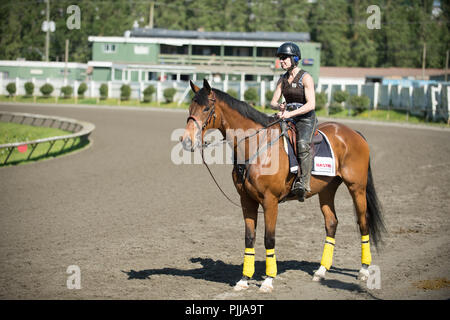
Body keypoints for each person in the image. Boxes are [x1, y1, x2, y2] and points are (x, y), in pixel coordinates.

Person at [270, 42, 317, 201]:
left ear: (295, 58)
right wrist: (280, 106)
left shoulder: (306, 77)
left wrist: (290, 114)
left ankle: (304, 183)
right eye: (280, 58)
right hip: (287, 115)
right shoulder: (282, 79)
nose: (281, 61)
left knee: (302, 144)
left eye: (284, 58)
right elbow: (273, 102)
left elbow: (311, 104)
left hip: (305, 118)